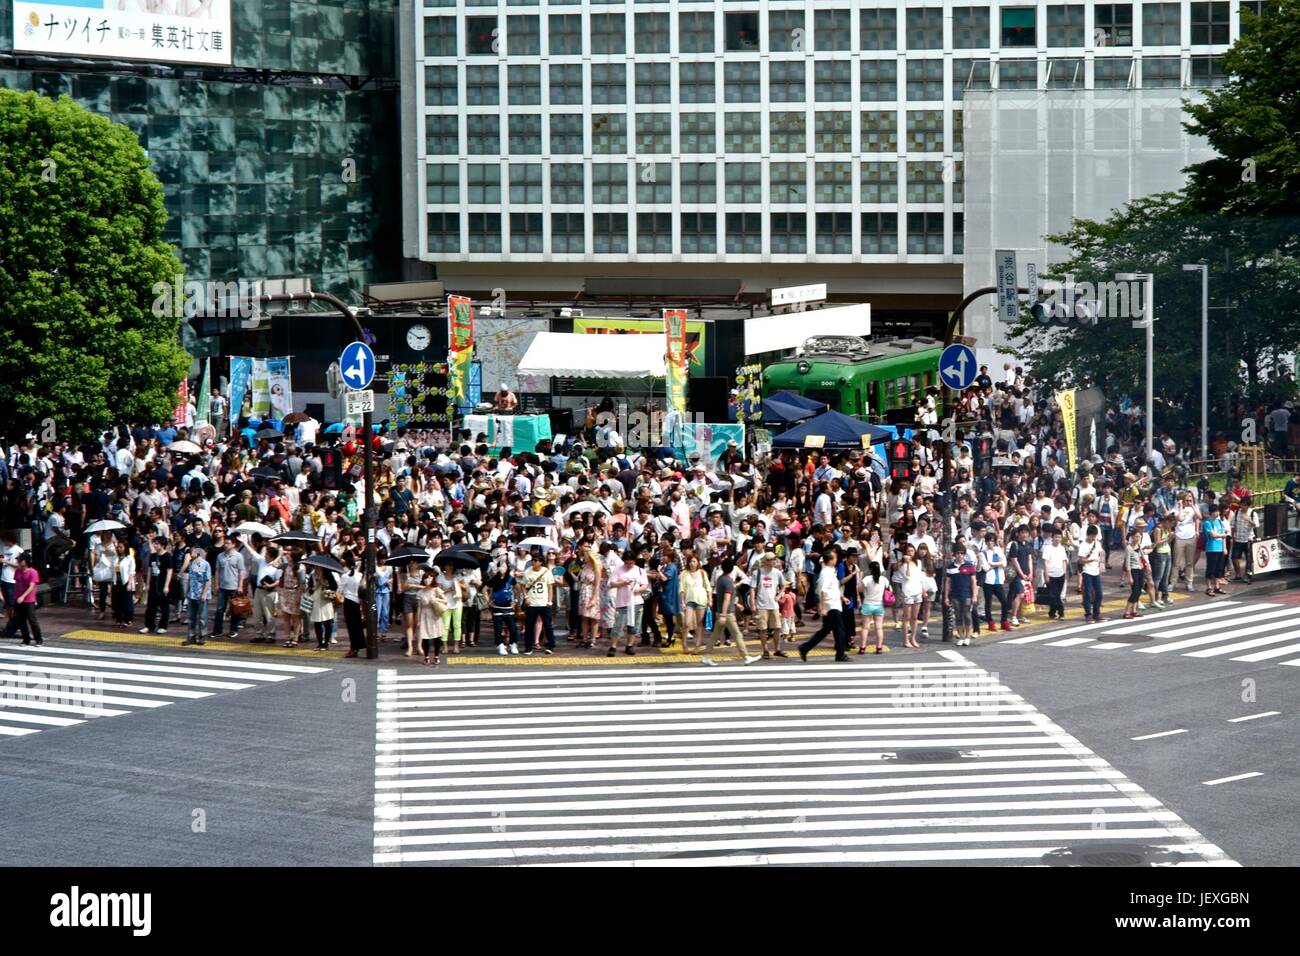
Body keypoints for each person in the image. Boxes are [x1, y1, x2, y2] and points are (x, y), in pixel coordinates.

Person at [702, 557, 761, 666]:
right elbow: (727, 599)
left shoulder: (720, 578)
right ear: (732, 569)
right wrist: (724, 614)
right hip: (727, 613)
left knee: (715, 635)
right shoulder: (729, 581)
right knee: (737, 634)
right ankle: (746, 656)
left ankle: (706, 656)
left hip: (719, 611)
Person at [798, 551, 850, 663]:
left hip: (834, 604)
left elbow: (833, 588)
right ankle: (840, 654)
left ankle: (805, 648)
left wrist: (842, 597)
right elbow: (823, 590)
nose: (836, 559)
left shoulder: (830, 572)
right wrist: (823, 607)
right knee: (839, 630)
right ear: (830, 560)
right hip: (831, 606)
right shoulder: (826, 573)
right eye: (835, 558)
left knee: (827, 630)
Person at [608, 550, 649, 657]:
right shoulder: (618, 570)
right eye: (626, 563)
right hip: (622, 602)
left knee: (633, 625)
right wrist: (623, 583)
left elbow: (645, 585)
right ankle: (613, 646)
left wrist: (639, 590)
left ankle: (629, 645)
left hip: (636, 602)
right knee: (618, 625)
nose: (629, 565)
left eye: (631, 563)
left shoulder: (640, 570)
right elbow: (612, 583)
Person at [520, 550, 556, 655]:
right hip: (532, 602)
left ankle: (550, 645)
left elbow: (550, 587)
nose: (534, 562)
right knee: (529, 625)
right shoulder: (527, 572)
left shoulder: (546, 571)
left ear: (541, 562)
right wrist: (526, 597)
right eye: (533, 560)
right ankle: (528, 647)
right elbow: (523, 585)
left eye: (536, 560)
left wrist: (550, 601)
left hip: (544, 602)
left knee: (548, 625)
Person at [751, 552, 785, 658]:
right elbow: (752, 589)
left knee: (777, 627)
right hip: (761, 604)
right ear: (765, 561)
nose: (773, 561)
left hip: (773, 604)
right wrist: (752, 603)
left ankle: (777, 649)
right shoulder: (758, 573)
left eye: (774, 559)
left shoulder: (777, 572)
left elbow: (783, 585)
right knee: (763, 629)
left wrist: (779, 595)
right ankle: (765, 650)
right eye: (771, 559)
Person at [140, 536, 173, 635]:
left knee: (164, 606)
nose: (155, 545)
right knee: (150, 606)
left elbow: (169, 571)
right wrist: (148, 583)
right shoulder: (153, 556)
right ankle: (149, 625)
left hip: (162, 583)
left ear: (163, 545)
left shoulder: (167, 556)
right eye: (154, 543)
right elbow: (150, 570)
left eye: (157, 543)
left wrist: (166, 585)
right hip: (154, 582)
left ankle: (163, 626)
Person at [417, 570, 449, 665]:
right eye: (426, 578)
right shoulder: (420, 592)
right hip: (424, 615)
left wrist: (436, 599)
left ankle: (436, 656)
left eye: (430, 578)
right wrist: (418, 620)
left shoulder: (436, 590)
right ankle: (426, 656)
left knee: (436, 636)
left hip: (435, 614)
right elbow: (419, 607)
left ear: (433, 579)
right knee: (425, 636)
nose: (428, 580)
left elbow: (445, 600)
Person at [859, 559, 892, 653]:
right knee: (879, 627)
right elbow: (890, 590)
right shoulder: (884, 579)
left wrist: (860, 579)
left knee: (865, 628)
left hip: (867, 604)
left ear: (870, 569)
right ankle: (879, 648)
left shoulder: (867, 579)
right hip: (879, 605)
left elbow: (859, 589)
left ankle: (862, 648)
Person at [181, 545, 212, 646]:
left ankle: (202, 636)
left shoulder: (205, 564)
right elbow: (190, 578)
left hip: (201, 595)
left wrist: (204, 593)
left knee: (202, 617)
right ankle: (191, 636)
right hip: (192, 595)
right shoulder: (191, 564)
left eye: (192, 552)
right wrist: (187, 591)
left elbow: (207, 580)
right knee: (191, 617)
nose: (190, 554)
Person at [12, 552, 43, 646]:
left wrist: (23, 596)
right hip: (18, 598)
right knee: (21, 620)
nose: (18, 562)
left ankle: (38, 639)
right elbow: (16, 584)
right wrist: (16, 596)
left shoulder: (33, 572)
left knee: (32, 619)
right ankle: (26, 639)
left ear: (25, 561)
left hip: (29, 600)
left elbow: (32, 586)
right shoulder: (17, 571)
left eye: (20, 560)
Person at [1077, 524, 1104, 623]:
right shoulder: (1083, 545)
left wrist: (1101, 567)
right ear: (1088, 535)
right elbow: (1081, 560)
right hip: (1087, 571)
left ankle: (1097, 612)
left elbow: (1101, 554)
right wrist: (1091, 560)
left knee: (1099, 593)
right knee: (1087, 593)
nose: (1093, 538)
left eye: (1095, 536)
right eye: (1092, 536)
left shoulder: (1097, 543)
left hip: (1096, 571)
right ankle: (1088, 614)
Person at [1040, 527, 1069, 620]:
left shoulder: (1062, 548)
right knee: (1054, 596)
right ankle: (1061, 612)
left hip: (1060, 575)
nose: (1058, 539)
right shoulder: (1048, 548)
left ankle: (1052, 612)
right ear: (1052, 538)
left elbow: (1064, 561)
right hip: (1051, 575)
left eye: (1059, 537)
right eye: (1056, 537)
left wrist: (1064, 573)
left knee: (1056, 595)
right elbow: (1045, 562)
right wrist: (1046, 575)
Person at [1202, 503, 1230, 596]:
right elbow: (1213, 535)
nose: (1217, 513)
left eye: (1218, 511)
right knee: (1210, 568)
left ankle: (1217, 586)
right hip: (1211, 548)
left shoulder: (1219, 522)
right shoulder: (1207, 523)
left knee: (1219, 569)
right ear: (1211, 512)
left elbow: (1223, 536)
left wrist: (1224, 548)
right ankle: (1209, 587)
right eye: (1215, 511)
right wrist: (1223, 535)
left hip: (1220, 548)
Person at [1122, 529, 1149, 620]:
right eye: (1136, 536)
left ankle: (1134, 610)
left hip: (1140, 569)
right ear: (1132, 537)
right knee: (1135, 591)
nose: (1138, 538)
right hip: (1133, 570)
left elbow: (1142, 557)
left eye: (1139, 536)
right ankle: (1127, 611)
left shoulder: (1139, 546)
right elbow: (1127, 563)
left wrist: (1147, 565)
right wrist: (1129, 576)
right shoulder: (1128, 548)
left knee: (1139, 590)